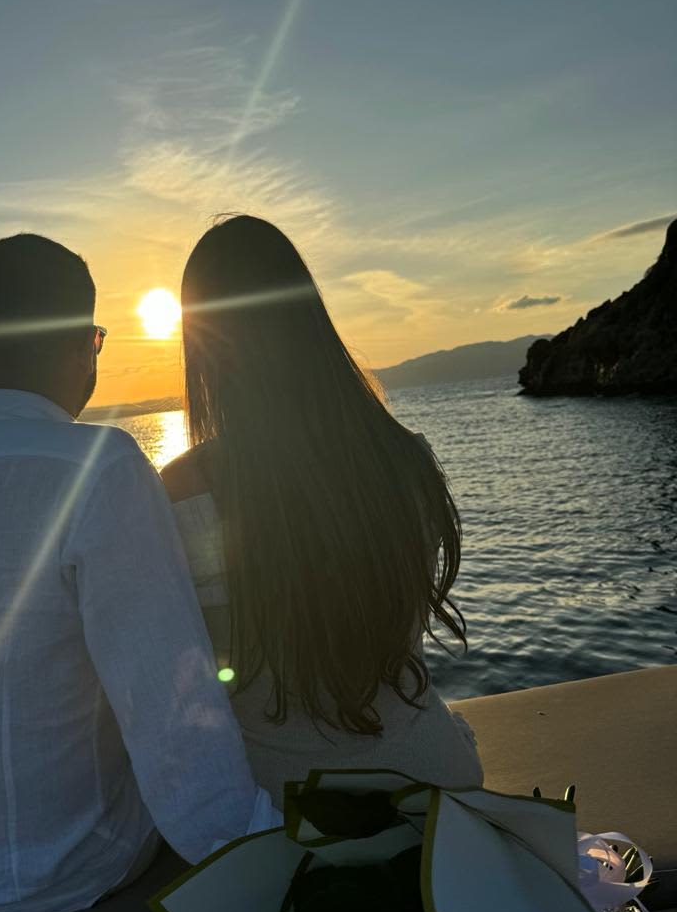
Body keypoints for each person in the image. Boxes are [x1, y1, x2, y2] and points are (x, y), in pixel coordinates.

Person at [0, 233, 280, 912]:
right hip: (46, 881)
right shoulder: (98, 467)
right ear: (85, 345)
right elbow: (173, 712)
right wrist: (264, 858)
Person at [161, 216, 482, 804]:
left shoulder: (183, 492)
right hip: (436, 782)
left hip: (287, 811)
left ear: (203, 346)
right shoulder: (404, 458)